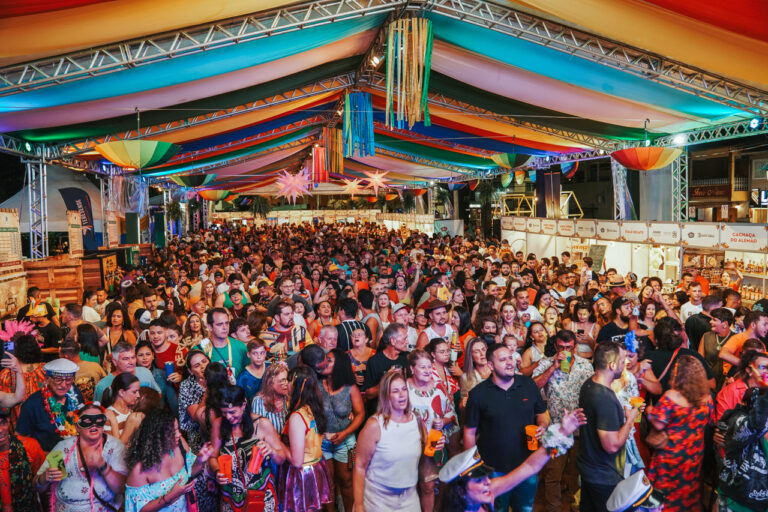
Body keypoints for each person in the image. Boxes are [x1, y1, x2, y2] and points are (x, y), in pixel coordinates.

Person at [437, 410, 586, 512]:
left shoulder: (489, 492)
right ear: (460, 491)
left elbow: (529, 467)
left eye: (485, 477)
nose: (487, 482)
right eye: (478, 481)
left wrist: (562, 432)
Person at [465, 344, 548, 512]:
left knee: (524, 509)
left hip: (526, 467)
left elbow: (542, 413)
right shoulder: (478, 394)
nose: (509, 362)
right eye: (502, 360)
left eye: (510, 357)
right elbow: (469, 433)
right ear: (490, 365)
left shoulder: (528, 385)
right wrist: (473, 469)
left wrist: (543, 426)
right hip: (493, 470)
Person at [354, 370, 443, 512]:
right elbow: (359, 466)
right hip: (378, 500)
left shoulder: (416, 420)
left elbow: (426, 453)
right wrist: (358, 505)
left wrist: (435, 444)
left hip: (409, 498)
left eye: (403, 389)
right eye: (395, 391)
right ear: (386, 396)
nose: (401, 395)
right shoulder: (375, 425)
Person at [532, 330, 594, 512]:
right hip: (555, 429)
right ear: (556, 346)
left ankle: (575, 506)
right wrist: (553, 368)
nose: (565, 351)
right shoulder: (545, 363)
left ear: (574, 347)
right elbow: (533, 388)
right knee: (553, 475)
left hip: (578, 428)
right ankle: (553, 509)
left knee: (575, 473)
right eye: (561, 347)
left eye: (568, 347)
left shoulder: (585, 366)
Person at [577, 341, 640, 512]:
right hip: (603, 475)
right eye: (622, 361)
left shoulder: (588, 384)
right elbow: (611, 445)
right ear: (612, 365)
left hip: (589, 468)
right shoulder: (604, 398)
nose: (624, 365)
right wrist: (630, 420)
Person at [646, 355, 713, 512]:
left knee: (665, 495)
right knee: (687, 492)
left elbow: (658, 422)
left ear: (679, 375)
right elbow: (711, 420)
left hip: (671, 455)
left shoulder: (671, 396)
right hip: (693, 455)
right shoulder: (707, 398)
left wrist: (650, 411)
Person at [35, 402, 128, 512]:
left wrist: (103, 466)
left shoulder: (115, 447)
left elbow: (121, 488)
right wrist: (45, 478)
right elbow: (37, 486)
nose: (94, 425)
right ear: (77, 427)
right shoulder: (63, 448)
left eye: (99, 421)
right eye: (87, 421)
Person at [213, 385, 288, 512]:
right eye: (224, 412)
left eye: (232, 412)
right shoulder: (219, 424)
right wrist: (216, 472)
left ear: (244, 405)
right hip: (231, 497)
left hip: (261, 495)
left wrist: (272, 451)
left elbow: (281, 458)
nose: (228, 417)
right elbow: (213, 457)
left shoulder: (262, 424)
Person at [124, 408, 215, 512]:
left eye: (177, 429)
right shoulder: (140, 469)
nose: (179, 435)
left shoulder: (179, 445)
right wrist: (171, 496)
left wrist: (199, 460)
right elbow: (140, 510)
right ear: (157, 436)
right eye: (172, 432)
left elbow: (189, 472)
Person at [407, 348, 458, 512]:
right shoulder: (403, 388)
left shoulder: (439, 388)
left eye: (430, 367)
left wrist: (444, 421)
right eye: (422, 367)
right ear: (412, 368)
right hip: (408, 445)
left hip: (433, 445)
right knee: (408, 486)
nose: (428, 371)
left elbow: (452, 415)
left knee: (428, 486)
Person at [278, 366, 333, 512]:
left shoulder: (298, 416)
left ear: (295, 385)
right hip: (316, 467)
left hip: (304, 474)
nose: (286, 384)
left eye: (288, 381)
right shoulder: (313, 407)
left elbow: (296, 461)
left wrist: (277, 441)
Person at [319, 349, 365, 512]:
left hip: (345, 442)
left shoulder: (349, 388)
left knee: (346, 482)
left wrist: (344, 434)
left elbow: (360, 415)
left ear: (339, 365)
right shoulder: (317, 384)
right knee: (328, 482)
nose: (325, 362)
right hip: (322, 442)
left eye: (329, 360)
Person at [16, 358, 85, 451]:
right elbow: (20, 439)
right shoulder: (32, 404)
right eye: (58, 379)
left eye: (68, 380)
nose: (64, 385)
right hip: (46, 459)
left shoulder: (75, 394)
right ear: (47, 379)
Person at [0, 405, 44, 512]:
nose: (0, 430)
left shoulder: (29, 446)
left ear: (9, 422)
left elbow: (41, 482)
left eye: (2, 423)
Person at [94, 341, 160, 402]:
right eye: (126, 359)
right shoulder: (103, 385)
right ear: (115, 362)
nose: (131, 362)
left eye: (133, 357)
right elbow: (98, 411)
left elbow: (158, 394)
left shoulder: (145, 372)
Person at [362, 323, 410, 406]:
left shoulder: (408, 357)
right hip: (382, 408)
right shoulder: (375, 361)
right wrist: (387, 379)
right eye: (404, 339)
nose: (407, 342)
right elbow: (369, 395)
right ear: (393, 341)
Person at [200, 308, 248, 380]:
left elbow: (249, 374)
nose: (225, 327)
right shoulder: (200, 349)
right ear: (210, 327)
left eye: (227, 323)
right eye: (220, 324)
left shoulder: (241, 346)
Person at [178, 349, 211, 452]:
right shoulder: (186, 386)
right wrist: (208, 390)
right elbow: (197, 417)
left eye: (204, 362)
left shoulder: (218, 375)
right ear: (191, 371)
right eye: (197, 366)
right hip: (198, 433)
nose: (202, 367)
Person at [251, 363, 290, 436]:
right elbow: (259, 433)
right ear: (271, 382)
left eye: (287, 379)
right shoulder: (259, 401)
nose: (286, 383)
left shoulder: (288, 398)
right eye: (282, 380)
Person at [103, 372, 143, 443]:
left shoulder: (133, 411)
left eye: (138, 391)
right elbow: (111, 448)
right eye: (134, 392)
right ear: (121, 392)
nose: (138, 395)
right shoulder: (108, 416)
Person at [699, 307, 734, 388]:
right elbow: (700, 360)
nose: (710, 322)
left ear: (725, 324)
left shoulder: (735, 338)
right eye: (711, 319)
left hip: (726, 383)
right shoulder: (706, 336)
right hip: (708, 381)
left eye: (714, 320)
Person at [459, 338, 491, 409]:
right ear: (471, 356)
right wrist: (463, 405)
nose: (482, 354)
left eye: (483, 349)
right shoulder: (465, 377)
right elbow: (463, 405)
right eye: (477, 351)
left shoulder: (498, 370)